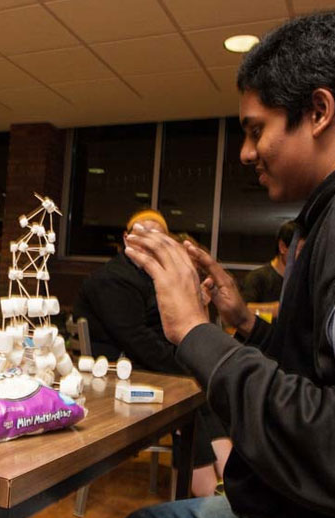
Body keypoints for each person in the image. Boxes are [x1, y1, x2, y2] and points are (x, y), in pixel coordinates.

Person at [7, 11, 335, 518]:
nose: (247, 153)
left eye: (256, 130)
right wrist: (245, 324)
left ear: (319, 112)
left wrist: (194, 331)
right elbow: (331, 379)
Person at [73, 209, 230, 497]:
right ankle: (207, 494)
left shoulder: (151, 278)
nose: (148, 242)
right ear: (126, 238)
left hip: (143, 366)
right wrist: (188, 368)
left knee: (208, 392)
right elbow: (138, 340)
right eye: (141, 234)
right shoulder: (113, 279)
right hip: (113, 378)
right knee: (191, 396)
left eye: (158, 238)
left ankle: (230, 483)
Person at [240, 220, 297, 320]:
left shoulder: (300, 281)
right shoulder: (257, 278)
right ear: (283, 247)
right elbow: (241, 311)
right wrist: (274, 311)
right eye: (299, 249)